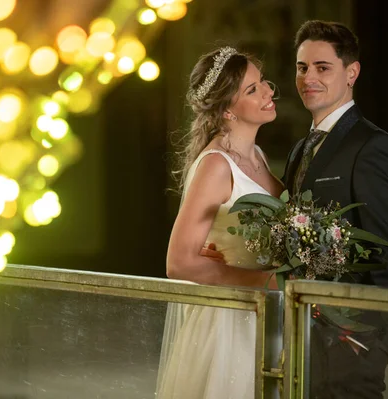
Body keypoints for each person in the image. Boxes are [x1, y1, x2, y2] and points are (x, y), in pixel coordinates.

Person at [284, 20, 388, 398]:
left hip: (351, 345)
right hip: (303, 333)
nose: (309, 77)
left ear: (352, 72)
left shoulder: (373, 147)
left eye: (322, 67)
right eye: (302, 67)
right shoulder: (300, 149)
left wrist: (357, 333)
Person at [156, 46, 282, 399]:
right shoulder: (215, 165)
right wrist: (264, 280)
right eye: (253, 89)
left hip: (259, 314)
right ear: (227, 109)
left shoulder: (256, 156)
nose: (269, 91)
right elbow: (178, 262)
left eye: (264, 83)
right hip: (228, 324)